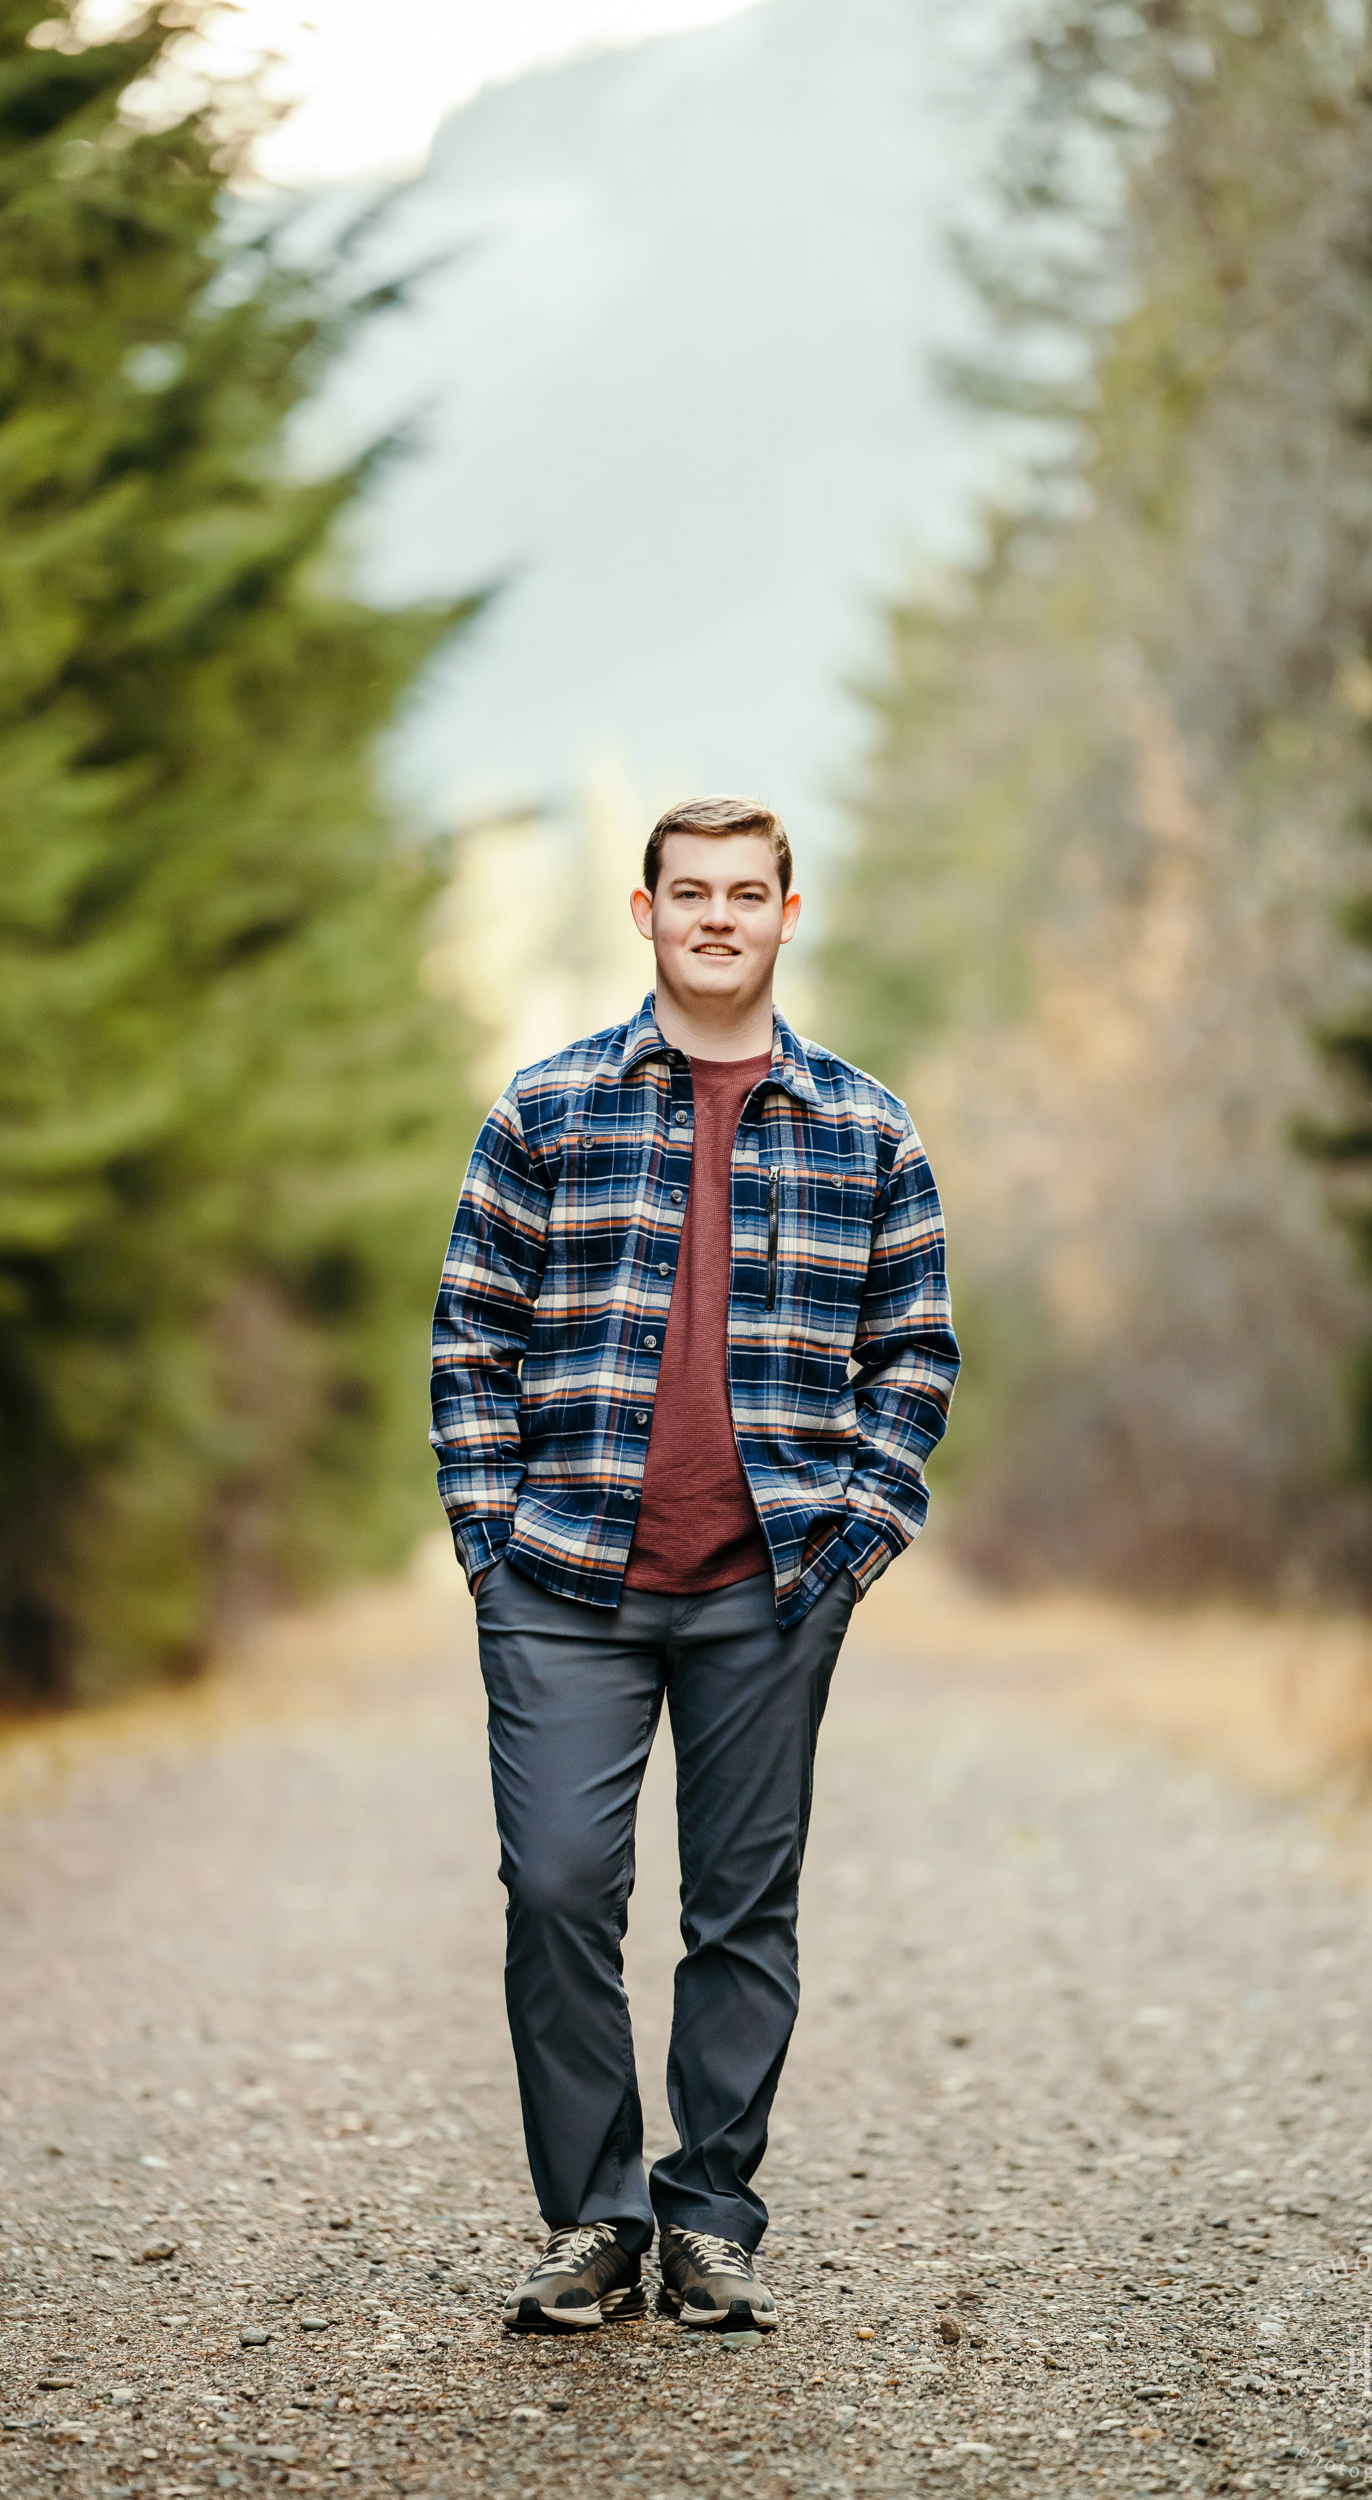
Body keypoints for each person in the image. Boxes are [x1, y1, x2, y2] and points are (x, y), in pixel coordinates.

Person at [429, 793, 959, 2335]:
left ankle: (710, 2220)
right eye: (689, 893)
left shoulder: (866, 1126)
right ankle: (594, 2217)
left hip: (770, 1587)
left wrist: (852, 1542)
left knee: (742, 1910)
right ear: (645, 914)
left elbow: (911, 1353)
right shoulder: (549, 1105)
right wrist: (488, 1537)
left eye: (747, 892)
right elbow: (470, 1330)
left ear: (790, 915)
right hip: (564, 1578)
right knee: (558, 1888)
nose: (716, 915)